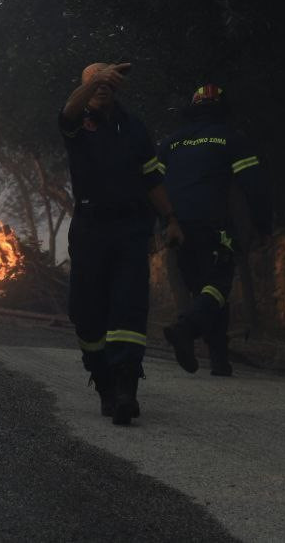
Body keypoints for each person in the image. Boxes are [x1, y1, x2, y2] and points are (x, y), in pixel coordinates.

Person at [59, 62, 184, 425]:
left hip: (130, 230)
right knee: (86, 315)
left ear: (117, 89)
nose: (101, 88)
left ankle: (127, 389)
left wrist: (171, 220)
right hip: (89, 231)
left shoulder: (134, 128)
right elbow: (68, 109)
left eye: (107, 83)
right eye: (95, 83)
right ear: (84, 88)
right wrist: (93, 79)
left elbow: (152, 179)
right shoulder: (75, 126)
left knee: (128, 310)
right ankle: (103, 384)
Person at [159, 83, 272, 376]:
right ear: (222, 110)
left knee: (204, 292)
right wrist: (264, 226)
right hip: (212, 226)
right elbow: (255, 185)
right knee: (219, 286)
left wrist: (162, 223)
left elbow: (152, 186)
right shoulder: (230, 139)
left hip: (177, 228)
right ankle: (185, 329)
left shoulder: (170, 143)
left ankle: (220, 361)